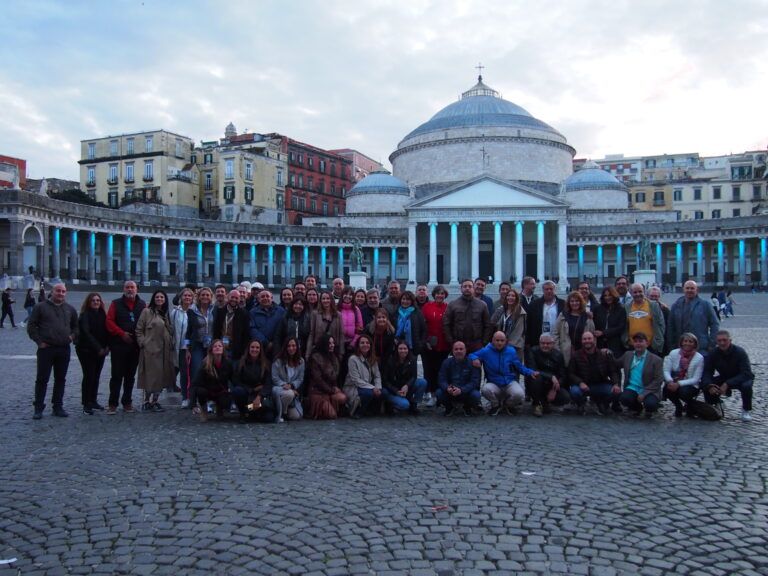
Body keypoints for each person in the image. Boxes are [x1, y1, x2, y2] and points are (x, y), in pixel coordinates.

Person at [27, 283, 78, 419]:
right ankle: (38, 407)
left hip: (63, 348)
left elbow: (76, 327)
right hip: (46, 348)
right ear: (52, 292)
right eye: (58, 291)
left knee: (60, 379)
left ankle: (58, 406)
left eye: (63, 291)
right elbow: (31, 325)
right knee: (42, 379)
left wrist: (72, 337)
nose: (61, 293)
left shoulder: (70, 309)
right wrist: (39, 341)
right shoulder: (40, 307)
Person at [470, 331, 538, 416]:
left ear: (505, 341)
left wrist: (530, 372)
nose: (499, 343)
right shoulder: (486, 351)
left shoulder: (511, 351)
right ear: (493, 340)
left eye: (502, 340)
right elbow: (470, 355)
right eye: (497, 340)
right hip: (494, 383)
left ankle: (508, 405)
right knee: (485, 390)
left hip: (509, 382)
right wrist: (474, 358)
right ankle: (496, 405)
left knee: (520, 394)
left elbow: (519, 367)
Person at [106, 281, 146, 414]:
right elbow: (109, 321)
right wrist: (121, 334)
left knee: (130, 376)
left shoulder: (142, 305)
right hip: (118, 345)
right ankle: (112, 404)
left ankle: (127, 402)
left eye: (132, 287)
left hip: (135, 346)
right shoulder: (115, 303)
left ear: (137, 290)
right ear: (123, 289)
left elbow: (146, 322)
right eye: (127, 287)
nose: (130, 290)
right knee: (116, 375)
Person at [135, 290, 175, 412]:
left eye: (162, 297)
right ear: (153, 299)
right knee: (150, 376)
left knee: (162, 376)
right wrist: (143, 343)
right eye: (157, 297)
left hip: (165, 350)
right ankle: (147, 401)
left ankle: (155, 401)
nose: (159, 299)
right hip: (151, 349)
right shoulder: (147, 311)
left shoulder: (166, 313)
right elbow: (139, 329)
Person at [702, 330, 754, 421]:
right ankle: (715, 403)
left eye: (724, 340)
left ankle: (746, 409)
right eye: (719, 341)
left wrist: (727, 383)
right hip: (725, 376)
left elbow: (746, 373)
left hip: (741, 377)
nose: (722, 343)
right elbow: (707, 371)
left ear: (730, 340)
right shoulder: (713, 353)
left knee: (746, 387)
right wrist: (709, 385)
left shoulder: (740, 352)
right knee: (705, 384)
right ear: (716, 342)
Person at [568, 331, 621, 415]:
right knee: (574, 392)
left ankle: (602, 403)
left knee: (616, 391)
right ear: (582, 341)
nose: (587, 341)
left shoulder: (604, 354)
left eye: (589, 338)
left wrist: (615, 384)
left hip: (599, 384)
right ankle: (581, 404)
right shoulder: (575, 355)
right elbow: (570, 373)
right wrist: (580, 382)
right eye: (584, 339)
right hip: (582, 385)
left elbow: (613, 371)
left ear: (594, 340)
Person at [616, 332, 664, 417]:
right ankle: (637, 408)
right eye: (636, 341)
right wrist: (607, 353)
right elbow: (615, 364)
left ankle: (650, 409)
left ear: (647, 343)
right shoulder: (628, 355)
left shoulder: (656, 360)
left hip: (649, 389)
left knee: (650, 404)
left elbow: (658, 380)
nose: (638, 344)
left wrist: (644, 393)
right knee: (624, 398)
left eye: (641, 341)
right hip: (633, 387)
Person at [76, 292, 109, 414]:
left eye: (98, 300)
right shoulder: (84, 315)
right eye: (93, 300)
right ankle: (86, 403)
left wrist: (106, 347)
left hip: (100, 351)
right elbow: (86, 333)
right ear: (88, 302)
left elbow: (106, 332)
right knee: (88, 376)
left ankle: (93, 400)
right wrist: (98, 348)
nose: (96, 302)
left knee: (96, 376)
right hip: (86, 350)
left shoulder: (102, 315)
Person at [667, 280, 719, 355]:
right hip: (680, 347)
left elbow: (715, 324)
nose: (689, 290)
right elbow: (670, 326)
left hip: (700, 348)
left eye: (692, 288)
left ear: (697, 290)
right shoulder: (676, 305)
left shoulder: (705, 305)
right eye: (687, 288)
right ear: (683, 289)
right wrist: (671, 345)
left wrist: (712, 343)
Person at [232, 340, 275, 423]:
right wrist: (251, 390)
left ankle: (250, 411)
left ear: (260, 349)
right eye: (252, 347)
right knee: (237, 391)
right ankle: (244, 413)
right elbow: (236, 381)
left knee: (268, 418)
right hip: (246, 393)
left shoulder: (266, 364)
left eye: (257, 347)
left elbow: (268, 383)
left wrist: (259, 396)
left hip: (261, 396)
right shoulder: (241, 363)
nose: (254, 349)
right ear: (248, 348)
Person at [443, 279, 491, 353]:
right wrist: (451, 342)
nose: (467, 288)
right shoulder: (453, 304)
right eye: (465, 286)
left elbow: (487, 325)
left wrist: (484, 342)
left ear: (473, 288)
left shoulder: (482, 305)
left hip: (476, 344)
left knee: (475, 364)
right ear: (461, 289)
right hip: (458, 344)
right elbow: (446, 324)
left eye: (470, 286)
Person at [525, 334, 569, 416]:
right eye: (543, 343)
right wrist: (551, 377)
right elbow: (533, 369)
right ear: (539, 343)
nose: (545, 345)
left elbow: (563, 375)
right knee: (536, 377)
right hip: (536, 382)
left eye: (548, 343)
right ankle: (537, 403)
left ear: (553, 344)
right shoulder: (533, 351)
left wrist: (555, 389)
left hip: (551, 385)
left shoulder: (558, 355)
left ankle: (545, 402)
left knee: (565, 397)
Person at [185, 287, 214, 410]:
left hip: (211, 346)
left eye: (207, 295)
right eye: (203, 295)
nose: (205, 297)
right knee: (196, 372)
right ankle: (193, 401)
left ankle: (209, 402)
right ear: (199, 296)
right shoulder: (192, 311)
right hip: (197, 345)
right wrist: (187, 347)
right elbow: (189, 330)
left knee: (211, 374)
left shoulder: (215, 310)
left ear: (210, 297)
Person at [663, 333, 705, 417]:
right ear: (681, 342)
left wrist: (679, 384)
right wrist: (670, 381)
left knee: (684, 392)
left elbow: (696, 379)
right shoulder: (673, 353)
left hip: (691, 384)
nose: (687, 343)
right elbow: (666, 370)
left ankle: (690, 406)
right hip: (675, 380)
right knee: (667, 389)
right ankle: (678, 406)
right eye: (685, 341)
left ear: (695, 344)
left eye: (690, 341)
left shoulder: (699, 358)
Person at [421, 285, 450, 407]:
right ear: (434, 295)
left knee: (441, 370)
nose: (440, 295)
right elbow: (422, 325)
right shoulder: (427, 307)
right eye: (438, 293)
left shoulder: (448, 307)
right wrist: (425, 340)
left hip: (443, 344)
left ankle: (440, 394)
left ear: (445, 295)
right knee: (429, 370)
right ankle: (431, 393)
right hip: (429, 344)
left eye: (442, 293)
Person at [191, 339, 233, 422]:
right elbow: (195, 383)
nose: (217, 348)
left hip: (221, 391)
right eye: (215, 346)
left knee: (226, 401)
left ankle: (219, 408)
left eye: (220, 346)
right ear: (211, 350)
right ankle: (204, 410)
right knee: (200, 391)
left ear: (223, 349)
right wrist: (193, 404)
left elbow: (234, 379)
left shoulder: (228, 363)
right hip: (207, 390)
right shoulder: (205, 364)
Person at [307, 334, 347, 419]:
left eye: (333, 343)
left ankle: (331, 406)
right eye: (329, 343)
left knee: (343, 398)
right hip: (317, 391)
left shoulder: (334, 358)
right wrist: (332, 390)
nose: (332, 345)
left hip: (329, 390)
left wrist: (335, 388)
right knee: (331, 415)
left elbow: (334, 377)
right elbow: (318, 380)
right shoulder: (315, 358)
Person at [437, 341, 482, 416]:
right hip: (451, 391)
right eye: (456, 349)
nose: (459, 351)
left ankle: (467, 407)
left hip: (466, 392)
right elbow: (441, 379)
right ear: (452, 351)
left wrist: (462, 390)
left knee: (476, 395)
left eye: (461, 349)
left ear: (465, 350)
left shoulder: (472, 363)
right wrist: (447, 388)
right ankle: (449, 407)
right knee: (439, 393)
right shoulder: (446, 362)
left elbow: (474, 382)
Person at [382, 341, 427, 414]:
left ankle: (414, 404)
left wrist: (407, 385)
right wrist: (396, 391)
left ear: (408, 349)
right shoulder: (390, 360)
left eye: (405, 348)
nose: (403, 350)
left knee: (422, 382)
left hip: (405, 388)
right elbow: (385, 380)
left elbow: (414, 376)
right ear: (397, 349)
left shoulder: (413, 359)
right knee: (405, 405)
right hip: (393, 389)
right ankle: (390, 403)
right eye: (400, 348)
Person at [343, 334, 382, 418]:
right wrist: (372, 388)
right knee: (368, 393)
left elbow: (377, 376)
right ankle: (358, 411)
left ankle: (371, 410)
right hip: (353, 386)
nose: (365, 345)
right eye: (362, 343)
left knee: (382, 392)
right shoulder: (353, 359)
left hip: (366, 385)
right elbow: (355, 379)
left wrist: (378, 387)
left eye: (367, 343)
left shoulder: (372, 359)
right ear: (358, 345)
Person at [553, 291, 595, 366]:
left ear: (581, 302)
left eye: (577, 301)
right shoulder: (563, 315)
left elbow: (592, 334)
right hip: (566, 350)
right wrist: (558, 350)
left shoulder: (587, 316)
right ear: (569, 303)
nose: (574, 303)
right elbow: (555, 333)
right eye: (572, 301)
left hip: (583, 350)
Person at [624, 283, 665, 354]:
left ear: (644, 292)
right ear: (630, 293)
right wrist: (625, 340)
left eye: (640, 291)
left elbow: (661, 324)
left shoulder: (653, 306)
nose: (638, 294)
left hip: (651, 346)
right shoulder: (626, 307)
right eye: (635, 292)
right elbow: (624, 326)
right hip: (632, 346)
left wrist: (658, 342)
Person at [271, 337, 305, 422]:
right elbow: (275, 378)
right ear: (285, 347)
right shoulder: (278, 361)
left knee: (296, 416)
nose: (291, 348)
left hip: (291, 389)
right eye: (289, 346)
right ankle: (280, 413)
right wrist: (284, 385)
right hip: (279, 389)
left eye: (293, 346)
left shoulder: (301, 361)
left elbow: (300, 378)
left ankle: (284, 410)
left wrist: (292, 386)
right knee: (289, 394)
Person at [212, 289, 251, 362]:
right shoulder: (220, 311)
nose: (234, 299)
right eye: (232, 297)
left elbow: (246, 334)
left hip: (236, 349)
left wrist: (244, 351)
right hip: (221, 348)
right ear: (227, 297)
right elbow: (216, 330)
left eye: (236, 298)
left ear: (239, 299)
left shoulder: (244, 314)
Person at [171, 287, 194, 404]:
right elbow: (171, 329)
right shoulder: (175, 312)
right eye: (185, 295)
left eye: (189, 296)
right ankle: (185, 397)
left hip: (192, 347)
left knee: (193, 373)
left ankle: (193, 396)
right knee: (184, 373)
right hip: (180, 348)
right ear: (181, 297)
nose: (187, 298)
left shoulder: (195, 311)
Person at [526, 280, 565, 349]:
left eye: (551, 289)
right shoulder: (534, 305)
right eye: (546, 289)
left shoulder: (563, 304)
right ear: (543, 290)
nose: (549, 291)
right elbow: (529, 323)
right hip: (539, 341)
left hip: (557, 340)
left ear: (554, 290)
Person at [490, 288, 527, 360]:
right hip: (500, 344)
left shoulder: (520, 312)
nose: (510, 297)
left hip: (514, 346)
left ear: (516, 298)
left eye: (513, 296)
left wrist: (506, 345)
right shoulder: (502, 310)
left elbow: (518, 332)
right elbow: (492, 322)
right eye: (508, 295)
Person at [249, 289, 286, 359]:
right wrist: (266, 342)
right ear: (258, 299)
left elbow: (283, 328)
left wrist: (275, 343)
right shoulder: (252, 312)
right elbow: (252, 329)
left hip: (277, 347)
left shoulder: (281, 311)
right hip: (260, 347)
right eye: (262, 297)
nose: (265, 298)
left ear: (271, 298)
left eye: (267, 296)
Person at [306, 291, 344, 359]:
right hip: (319, 349)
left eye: (328, 298)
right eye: (323, 299)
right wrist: (308, 353)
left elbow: (341, 334)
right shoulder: (315, 314)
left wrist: (341, 352)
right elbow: (312, 333)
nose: (325, 300)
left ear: (331, 300)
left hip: (333, 350)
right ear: (320, 300)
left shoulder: (338, 315)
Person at [592, 286, 627, 357]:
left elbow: (621, 327)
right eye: (605, 295)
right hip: (600, 343)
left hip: (615, 344)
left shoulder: (621, 309)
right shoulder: (597, 309)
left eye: (610, 295)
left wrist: (603, 333)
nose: (607, 297)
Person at [394, 291, 427, 356]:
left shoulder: (417, 313)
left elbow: (424, 330)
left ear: (412, 301)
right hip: (397, 347)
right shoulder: (396, 312)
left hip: (412, 348)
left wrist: (420, 344)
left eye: (408, 299)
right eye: (403, 299)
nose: (405, 301)